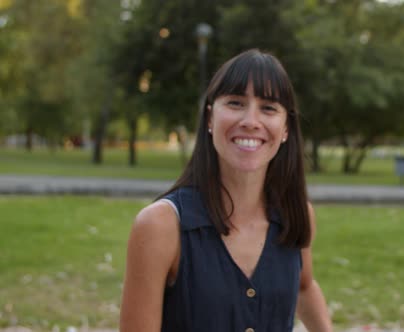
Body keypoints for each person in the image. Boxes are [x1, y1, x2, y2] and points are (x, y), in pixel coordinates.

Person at [119, 49, 333, 332]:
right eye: (235, 103)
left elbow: (304, 286)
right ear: (210, 118)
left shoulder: (296, 215)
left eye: (268, 108)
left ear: (285, 129)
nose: (250, 121)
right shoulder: (160, 226)